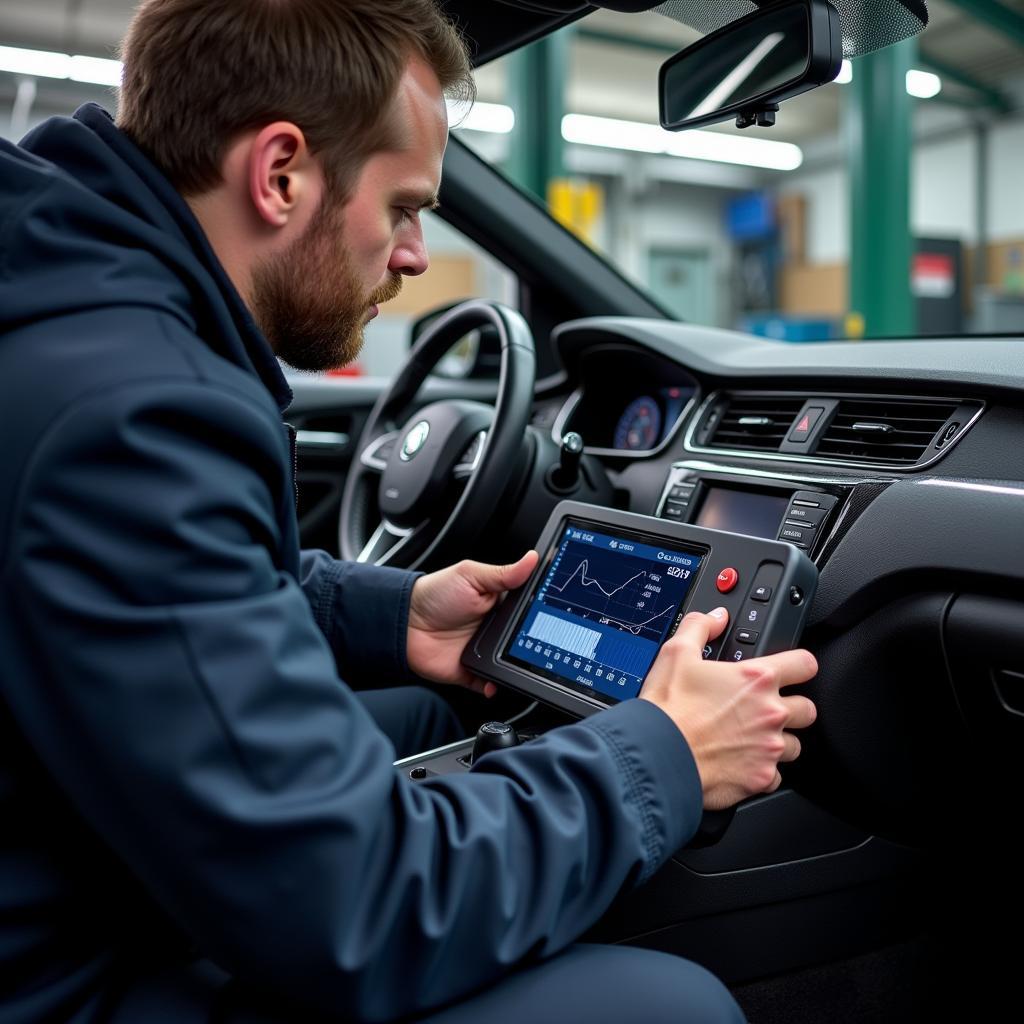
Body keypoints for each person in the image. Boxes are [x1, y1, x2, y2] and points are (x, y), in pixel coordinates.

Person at [0, 1, 818, 1021]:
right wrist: (666, 756)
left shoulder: (68, 315)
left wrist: (393, 616)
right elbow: (360, 909)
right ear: (282, 173)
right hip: (62, 981)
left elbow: (150, 598)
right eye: (401, 207)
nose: (415, 254)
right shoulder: (138, 413)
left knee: (444, 704)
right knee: (667, 1003)